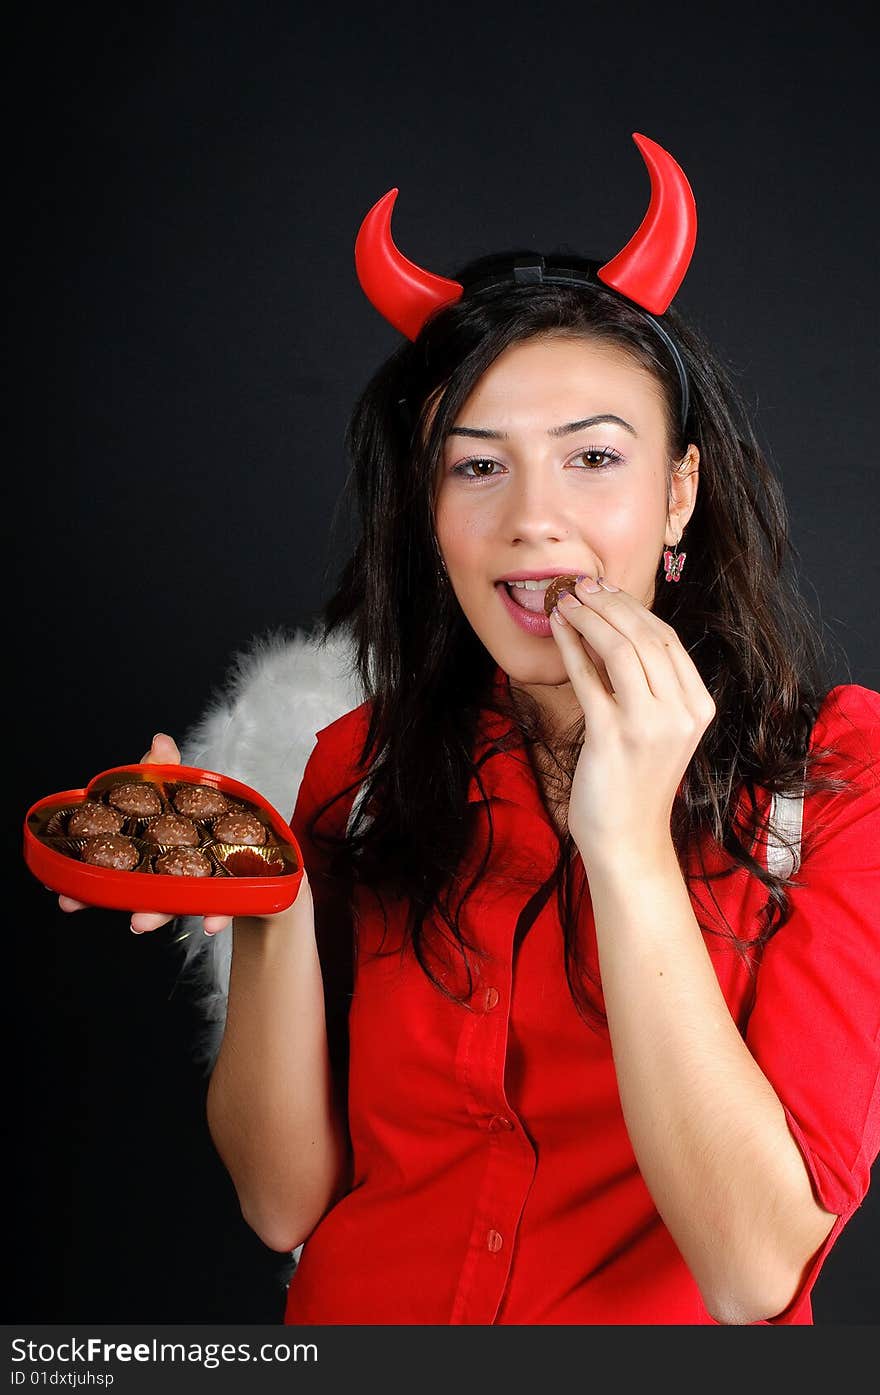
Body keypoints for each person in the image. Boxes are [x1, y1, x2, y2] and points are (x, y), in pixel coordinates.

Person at [58, 135, 880, 1325]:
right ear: (428, 518)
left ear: (679, 495)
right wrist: (268, 902)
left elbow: (754, 1273)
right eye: (476, 467)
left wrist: (628, 838)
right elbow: (282, 1204)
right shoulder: (363, 765)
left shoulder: (835, 780)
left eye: (594, 457)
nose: (533, 521)